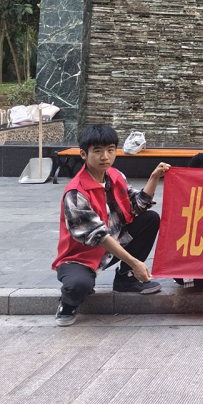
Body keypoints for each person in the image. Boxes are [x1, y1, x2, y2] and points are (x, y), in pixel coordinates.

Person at [53, 124, 166, 326]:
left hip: (112, 244)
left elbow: (137, 206)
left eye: (110, 150)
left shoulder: (115, 175)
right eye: (97, 151)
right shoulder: (76, 192)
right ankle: (68, 303)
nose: (105, 156)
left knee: (150, 219)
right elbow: (98, 236)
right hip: (81, 257)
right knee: (79, 285)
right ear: (83, 154)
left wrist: (154, 177)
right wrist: (135, 262)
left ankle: (125, 279)